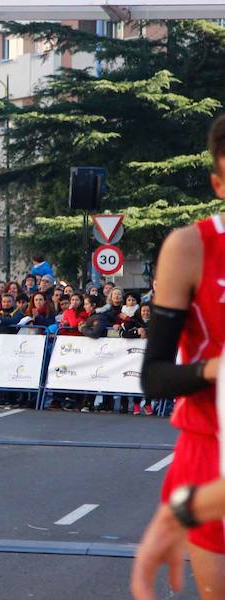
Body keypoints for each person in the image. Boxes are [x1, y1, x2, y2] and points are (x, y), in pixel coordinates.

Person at [130, 117, 225, 599]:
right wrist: (214, 371)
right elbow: (154, 377)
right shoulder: (191, 248)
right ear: (218, 183)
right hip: (209, 445)